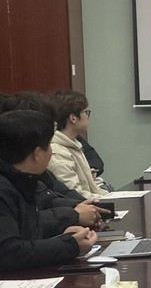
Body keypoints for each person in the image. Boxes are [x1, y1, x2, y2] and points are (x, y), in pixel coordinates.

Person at [0, 110, 97, 272]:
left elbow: (24, 231)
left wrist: (61, 236)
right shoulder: (5, 188)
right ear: (37, 154)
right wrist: (70, 246)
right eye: (49, 146)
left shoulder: (21, 181)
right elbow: (9, 253)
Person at [0, 91, 108, 232]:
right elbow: (20, 234)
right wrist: (73, 216)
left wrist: (79, 207)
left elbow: (53, 195)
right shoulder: (9, 182)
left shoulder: (30, 175)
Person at [48, 90, 109, 199]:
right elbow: (76, 195)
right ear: (73, 118)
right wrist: (108, 200)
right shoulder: (57, 152)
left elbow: (92, 189)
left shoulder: (74, 144)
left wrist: (111, 197)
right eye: (86, 112)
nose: (88, 116)